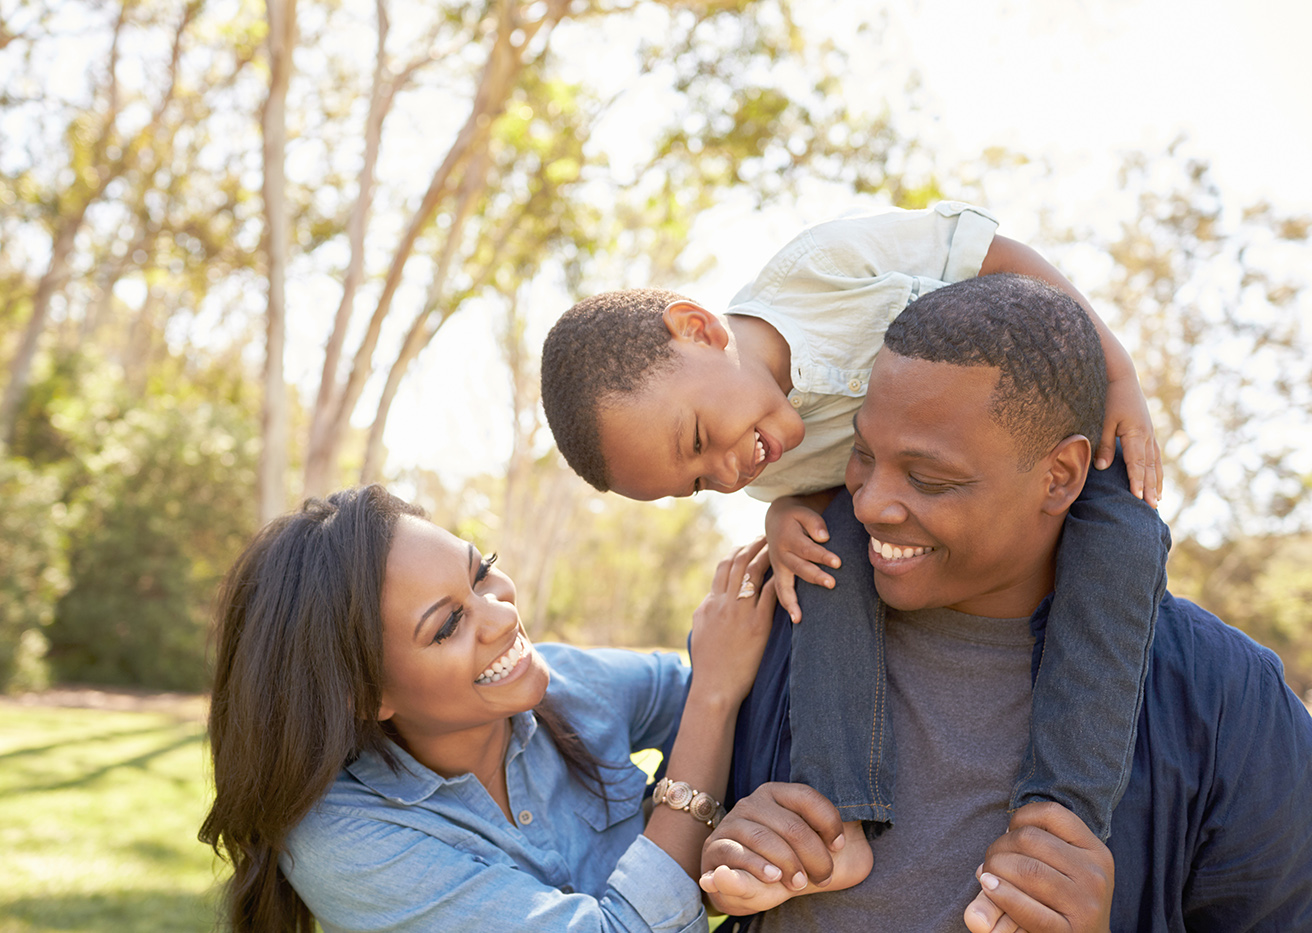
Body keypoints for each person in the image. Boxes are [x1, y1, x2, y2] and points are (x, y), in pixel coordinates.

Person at [539, 203, 1168, 874]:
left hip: (1035, 440)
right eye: (697, 481)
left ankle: (1062, 817)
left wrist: (1118, 372)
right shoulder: (762, 461)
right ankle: (836, 818)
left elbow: (998, 257)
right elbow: (828, 487)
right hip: (904, 506)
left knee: (1127, 536)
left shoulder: (822, 269)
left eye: (697, 439)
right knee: (822, 564)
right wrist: (783, 514)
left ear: (696, 329)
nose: (726, 472)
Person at [697, 273, 1312, 931]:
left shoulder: (1222, 698)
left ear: (1062, 475)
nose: (870, 503)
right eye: (863, 453)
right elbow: (662, 858)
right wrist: (722, 863)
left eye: (930, 478)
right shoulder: (779, 620)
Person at [197, 484, 811, 933]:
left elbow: (754, 703)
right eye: (447, 626)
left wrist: (791, 514)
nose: (502, 614)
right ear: (364, 695)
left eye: (482, 572)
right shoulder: (347, 840)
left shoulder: (565, 684)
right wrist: (712, 701)